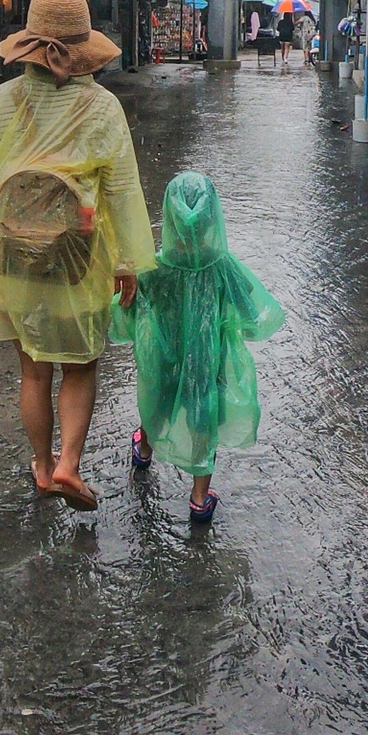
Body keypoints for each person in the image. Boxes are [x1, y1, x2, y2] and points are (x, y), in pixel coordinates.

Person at [0, 0, 155, 511]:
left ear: (29, 44)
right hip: (77, 256)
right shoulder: (102, 107)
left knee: (33, 367)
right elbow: (120, 190)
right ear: (84, 48)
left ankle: (40, 465)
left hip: (11, 252)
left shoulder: (0, 102)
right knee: (79, 364)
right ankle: (70, 463)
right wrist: (126, 261)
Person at [115, 171, 283, 523]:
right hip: (207, 364)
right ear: (212, 218)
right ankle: (199, 497)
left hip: (164, 359)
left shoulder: (154, 266)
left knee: (157, 401)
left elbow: (126, 307)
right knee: (203, 418)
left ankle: (144, 451)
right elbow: (251, 314)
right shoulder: (223, 267)